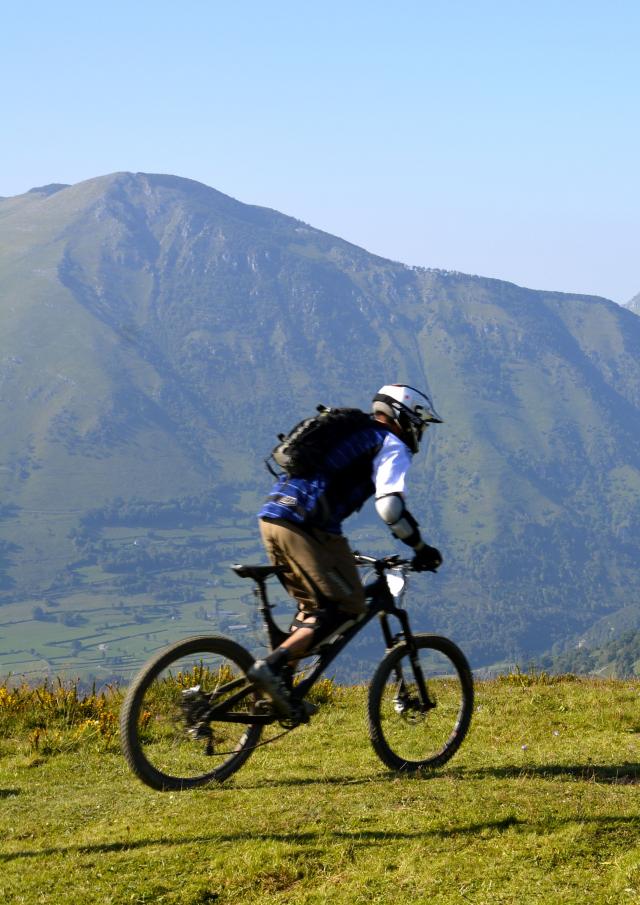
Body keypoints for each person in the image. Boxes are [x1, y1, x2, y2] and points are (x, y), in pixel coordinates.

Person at [248, 383, 443, 718]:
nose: (419, 433)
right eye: (419, 425)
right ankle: (271, 667)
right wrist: (420, 547)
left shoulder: (354, 432)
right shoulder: (390, 443)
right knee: (349, 605)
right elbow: (390, 509)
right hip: (307, 523)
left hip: (272, 516)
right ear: (404, 417)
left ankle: (280, 691)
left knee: (314, 609)